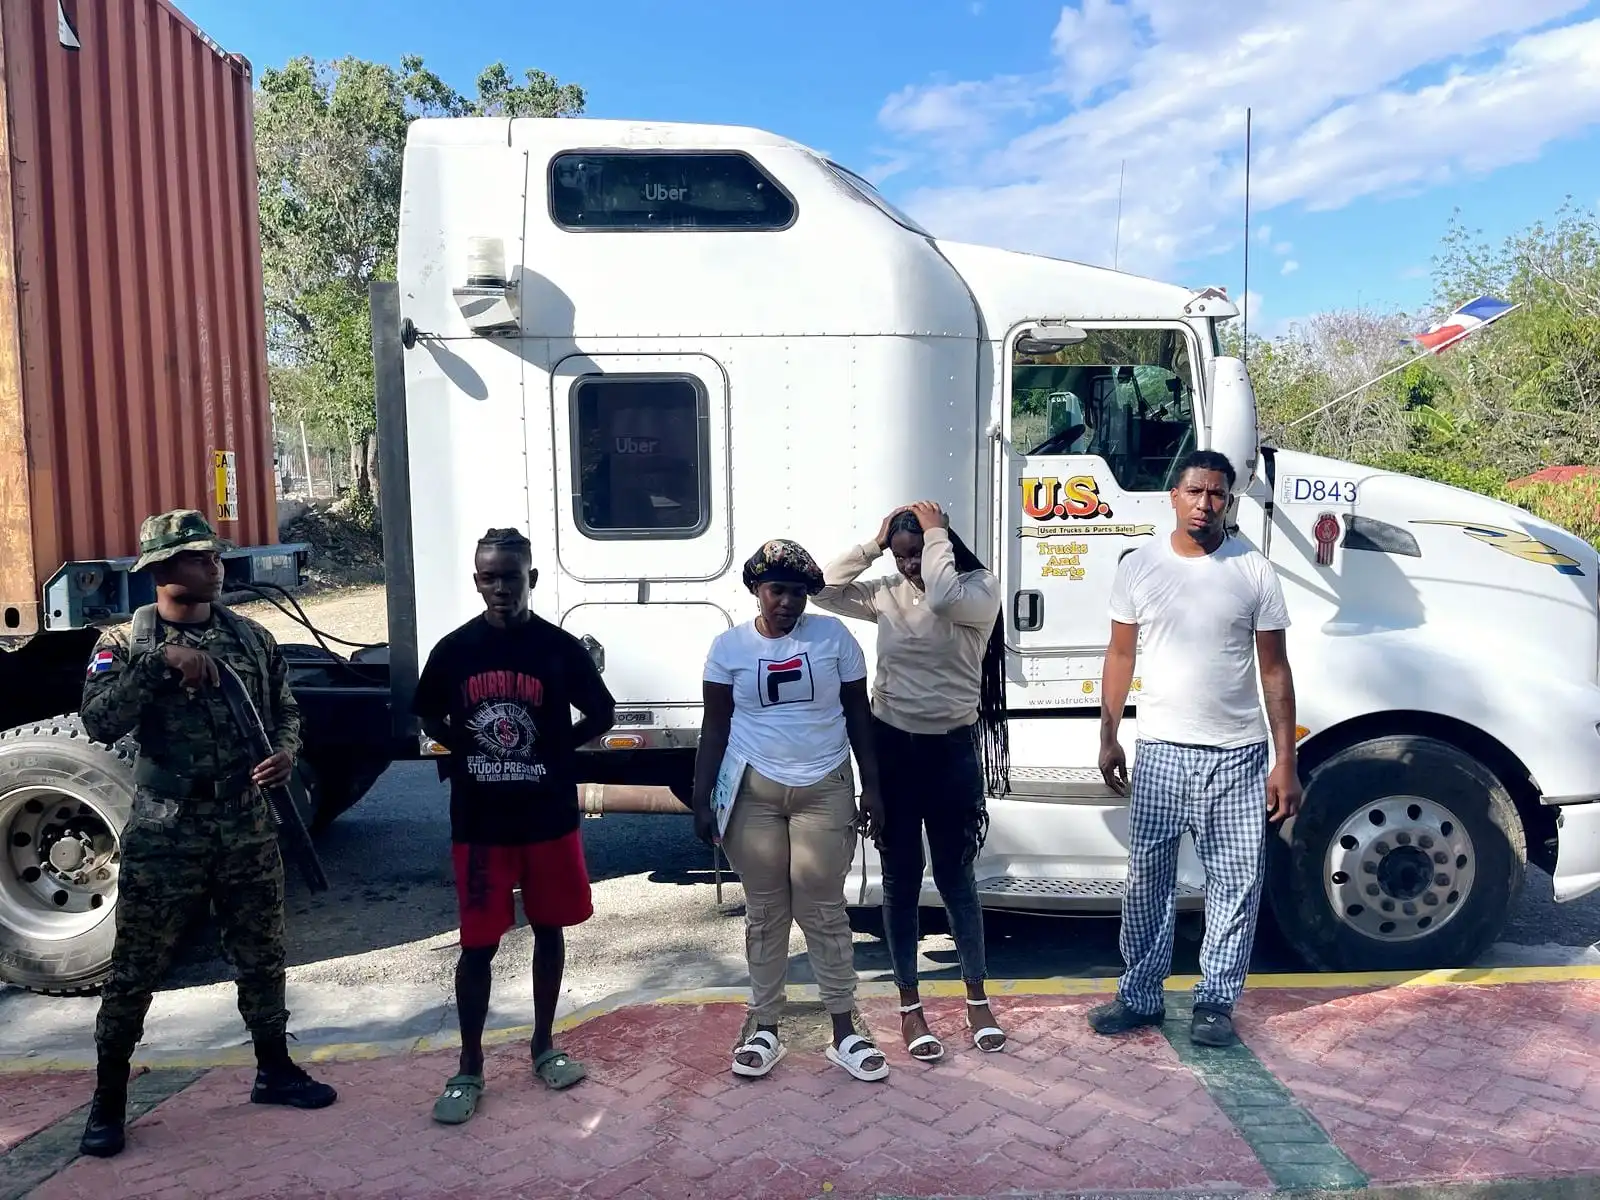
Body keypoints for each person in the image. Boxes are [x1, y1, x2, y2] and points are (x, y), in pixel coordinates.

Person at [77, 509, 336, 1158]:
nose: (214, 568)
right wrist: (162, 663)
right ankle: (108, 1102)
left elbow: (287, 712)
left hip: (245, 821)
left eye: (216, 557)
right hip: (169, 826)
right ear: (161, 570)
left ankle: (274, 1068)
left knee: (262, 954)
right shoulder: (124, 643)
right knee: (135, 970)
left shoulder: (250, 638)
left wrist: (283, 753)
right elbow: (100, 722)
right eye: (198, 559)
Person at [1089, 450, 1302, 1047]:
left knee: (1235, 883)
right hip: (1160, 751)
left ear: (1228, 502)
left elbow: (1276, 672)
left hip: (1236, 755)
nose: (1206, 505)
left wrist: (1285, 762)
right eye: (1195, 492)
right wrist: (1109, 734)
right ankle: (1140, 996)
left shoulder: (1254, 571)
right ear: (1173, 496)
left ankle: (1215, 1002)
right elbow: (1120, 655)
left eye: (1218, 495)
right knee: (1147, 883)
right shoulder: (1140, 567)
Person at [412, 528, 616, 1124]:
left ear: (531, 578)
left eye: (510, 575)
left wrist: (557, 750)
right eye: (487, 576)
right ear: (476, 580)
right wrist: (464, 746)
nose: (500, 587)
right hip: (480, 823)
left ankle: (543, 1044)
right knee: (477, 945)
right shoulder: (454, 651)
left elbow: (601, 713)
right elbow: (427, 711)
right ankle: (469, 1065)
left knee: (549, 930)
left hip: (547, 818)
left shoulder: (558, 649)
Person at [815, 501, 1009, 1060]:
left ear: (939, 545)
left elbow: (944, 595)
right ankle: (909, 1005)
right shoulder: (886, 591)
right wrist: (874, 545)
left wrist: (935, 535)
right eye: (900, 559)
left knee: (956, 878)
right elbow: (821, 588)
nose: (908, 569)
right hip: (893, 748)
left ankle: (976, 999)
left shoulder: (976, 589)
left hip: (952, 750)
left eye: (915, 556)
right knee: (901, 879)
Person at [691, 539, 890, 1082]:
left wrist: (871, 786)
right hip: (752, 789)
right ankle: (764, 1026)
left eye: (799, 593)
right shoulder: (728, 648)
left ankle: (846, 1029)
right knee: (765, 910)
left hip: (824, 785)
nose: (788, 602)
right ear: (757, 590)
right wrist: (703, 796)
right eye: (777, 590)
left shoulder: (834, 637)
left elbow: (858, 715)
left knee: (823, 907)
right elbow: (716, 727)